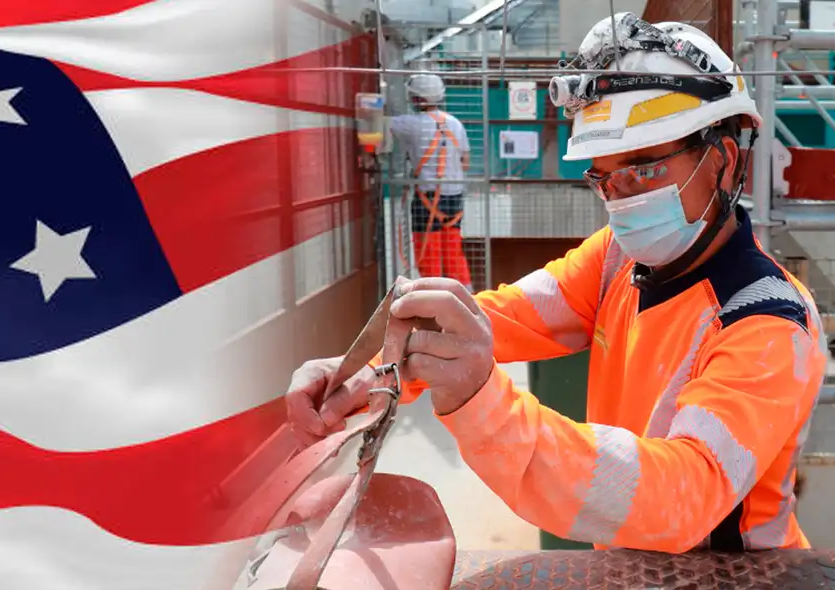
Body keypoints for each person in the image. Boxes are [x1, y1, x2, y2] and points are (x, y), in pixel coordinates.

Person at [286, 13, 829, 554]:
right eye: (604, 177)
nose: (622, 199)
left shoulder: (767, 323)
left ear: (724, 160)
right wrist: (362, 374)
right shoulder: (617, 261)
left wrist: (486, 406)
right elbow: (508, 316)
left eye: (641, 169)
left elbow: (680, 499)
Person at [388, 73, 474, 291]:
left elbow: (379, 122)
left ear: (416, 99)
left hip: (427, 198)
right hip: (454, 198)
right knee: (453, 252)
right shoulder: (455, 123)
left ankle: (432, 302)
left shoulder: (410, 124)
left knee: (428, 254)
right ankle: (468, 300)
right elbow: (465, 161)